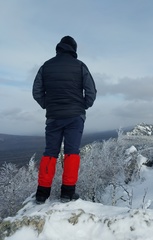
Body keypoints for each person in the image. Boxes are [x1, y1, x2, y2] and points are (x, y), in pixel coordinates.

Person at [32, 36, 97, 204]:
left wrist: (48, 105)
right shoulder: (80, 66)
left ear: (59, 48)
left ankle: (41, 193)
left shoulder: (46, 66)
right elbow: (91, 91)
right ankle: (67, 193)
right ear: (73, 49)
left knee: (50, 153)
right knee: (71, 153)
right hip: (75, 117)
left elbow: (36, 91)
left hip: (53, 117)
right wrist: (83, 106)